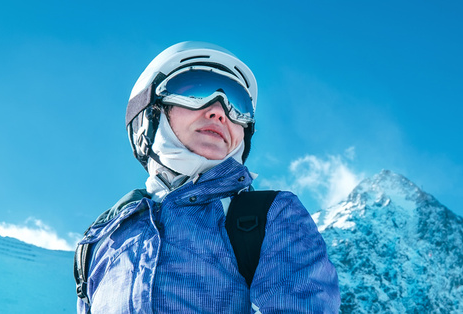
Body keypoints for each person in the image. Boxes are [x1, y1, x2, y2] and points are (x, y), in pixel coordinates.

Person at [75, 41, 340, 313]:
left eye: (237, 104)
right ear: (150, 113)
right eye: (195, 91)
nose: (219, 112)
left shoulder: (269, 215)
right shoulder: (101, 238)